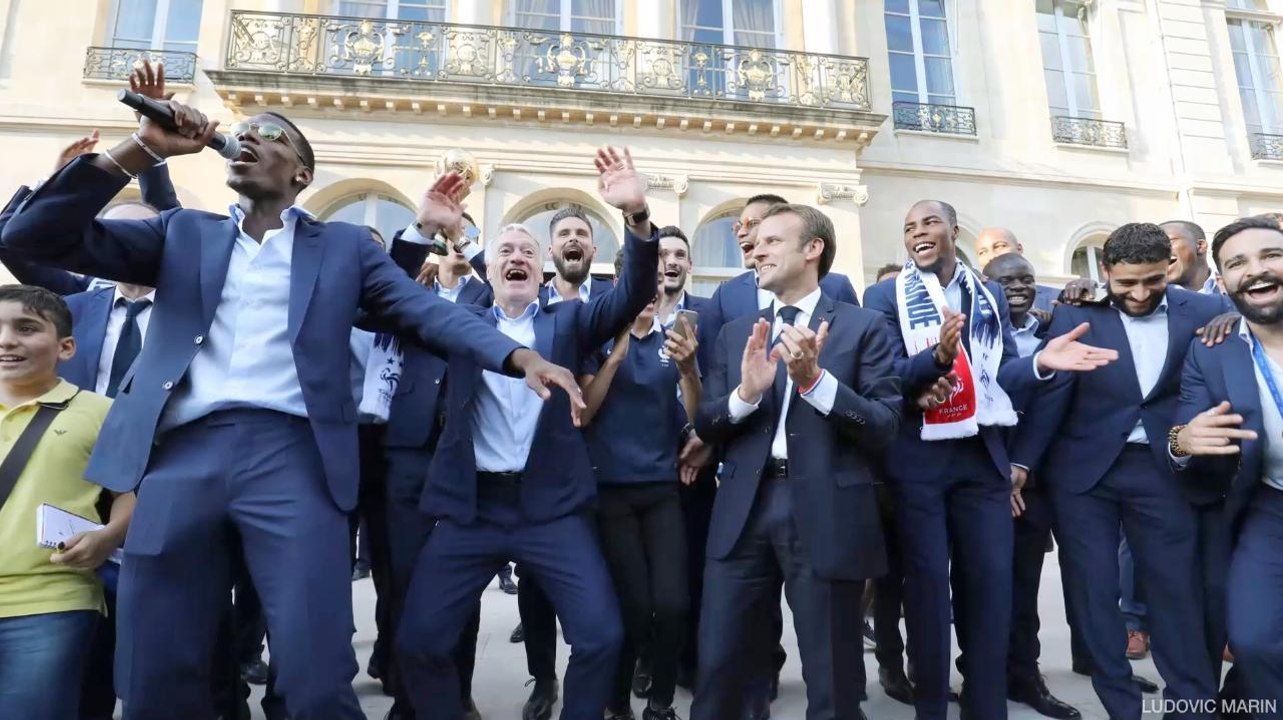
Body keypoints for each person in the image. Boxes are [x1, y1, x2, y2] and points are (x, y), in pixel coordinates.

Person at [0, 99, 581, 720]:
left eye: (269, 136)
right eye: (243, 132)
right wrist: (143, 147)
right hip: (180, 459)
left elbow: (425, 312)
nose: (247, 138)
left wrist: (517, 358)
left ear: (301, 173)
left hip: (294, 459)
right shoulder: (182, 233)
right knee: (155, 669)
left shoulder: (343, 249)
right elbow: (32, 236)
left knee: (314, 667)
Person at [395, 145, 655, 720]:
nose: (517, 258)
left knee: (601, 638)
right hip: (472, 510)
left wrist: (635, 217)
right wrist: (422, 229)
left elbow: (633, 294)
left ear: (540, 272)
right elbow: (387, 299)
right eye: (505, 251)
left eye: (528, 253)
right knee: (417, 642)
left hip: (552, 510)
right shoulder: (458, 324)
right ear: (488, 272)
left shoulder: (569, 320)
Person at [863, 199, 1116, 720]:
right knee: (928, 591)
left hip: (982, 459)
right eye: (909, 227)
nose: (918, 233)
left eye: (929, 222)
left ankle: (986, 705)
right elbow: (889, 376)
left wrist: (1040, 364)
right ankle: (932, 706)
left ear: (954, 231)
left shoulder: (989, 294)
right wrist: (934, 360)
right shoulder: (885, 294)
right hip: (919, 460)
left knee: (990, 586)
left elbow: (996, 376)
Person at [690, 202, 901, 720]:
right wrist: (745, 392)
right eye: (753, 242)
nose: (755, 250)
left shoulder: (864, 327)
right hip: (743, 511)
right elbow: (707, 425)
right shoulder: (737, 331)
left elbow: (883, 428)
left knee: (832, 673)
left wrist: (815, 382)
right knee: (720, 663)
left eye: (771, 241)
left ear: (813, 250)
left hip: (826, 512)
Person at [1012, 223, 1224, 720]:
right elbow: (1052, 396)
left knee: (1176, 591)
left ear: (1170, 268)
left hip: (1165, 470)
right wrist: (1023, 462)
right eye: (1126, 283)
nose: (1140, 293)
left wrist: (1232, 321)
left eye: (1152, 280)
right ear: (1105, 272)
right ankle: (1121, 707)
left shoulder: (1208, 311)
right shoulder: (1075, 312)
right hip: (1085, 478)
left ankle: (1190, 706)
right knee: (1095, 596)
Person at [0, 285, 133, 719]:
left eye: (26, 328)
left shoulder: (101, 412)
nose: (6, 340)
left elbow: (128, 497)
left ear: (67, 346)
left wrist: (108, 538)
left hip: (51, 601)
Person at [580, 253, 700, 720]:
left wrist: (690, 370)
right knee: (634, 606)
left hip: (661, 489)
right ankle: (616, 702)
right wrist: (615, 356)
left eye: (656, 282)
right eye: (639, 281)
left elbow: (692, 416)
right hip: (611, 493)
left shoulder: (673, 344)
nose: (651, 290)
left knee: (672, 605)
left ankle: (661, 701)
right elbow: (585, 413)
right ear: (620, 282)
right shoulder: (596, 339)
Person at [1170, 216, 1283, 710]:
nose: (1256, 271)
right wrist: (1185, 440)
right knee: (1255, 642)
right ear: (1223, 280)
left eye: (1271, 256)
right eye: (1238, 263)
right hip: (1270, 509)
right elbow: (1180, 431)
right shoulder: (1212, 350)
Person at [983, 252, 1080, 720]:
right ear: (986, 286)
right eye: (1005, 282)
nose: (1018, 288)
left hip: (1033, 480)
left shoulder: (1052, 332)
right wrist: (1002, 468)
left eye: (1026, 279)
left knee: (1024, 586)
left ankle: (1025, 673)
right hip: (980, 476)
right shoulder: (973, 336)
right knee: (979, 584)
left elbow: (1050, 410)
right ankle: (982, 670)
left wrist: (1021, 467)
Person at [974, 227, 1059, 312]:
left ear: (1019, 249)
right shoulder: (971, 299)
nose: (992, 256)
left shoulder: (1057, 298)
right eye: (982, 252)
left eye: (999, 246)